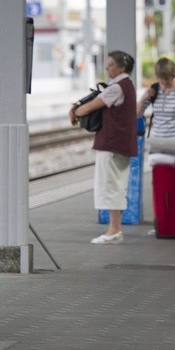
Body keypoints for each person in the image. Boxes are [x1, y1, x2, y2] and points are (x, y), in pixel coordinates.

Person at [69, 50, 138, 245]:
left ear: (121, 67)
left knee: (110, 186)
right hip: (121, 144)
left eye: (110, 65)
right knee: (116, 185)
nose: (107, 68)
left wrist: (75, 110)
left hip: (112, 144)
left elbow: (90, 107)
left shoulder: (116, 88)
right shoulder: (128, 86)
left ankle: (114, 231)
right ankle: (114, 229)